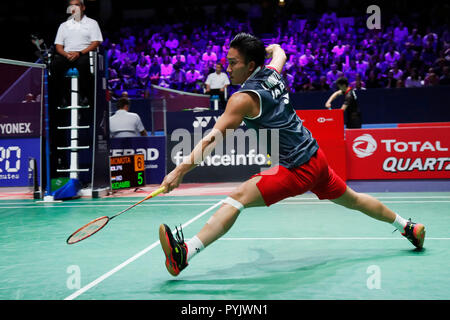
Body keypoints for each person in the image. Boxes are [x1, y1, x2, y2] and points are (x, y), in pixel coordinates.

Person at [157, 33, 426, 277]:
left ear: (250, 66)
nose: (227, 69)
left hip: (296, 168)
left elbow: (211, 139)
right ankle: (408, 227)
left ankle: (184, 254)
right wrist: (273, 47)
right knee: (353, 199)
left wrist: (179, 171)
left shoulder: (241, 99)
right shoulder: (273, 74)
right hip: (316, 158)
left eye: (233, 63)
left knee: (236, 199)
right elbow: (280, 54)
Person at [51, 0, 103, 107]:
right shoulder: (63, 25)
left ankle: (86, 96)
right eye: (71, 5)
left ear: (83, 7)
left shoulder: (92, 23)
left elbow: (96, 42)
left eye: (77, 5)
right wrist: (67, 55)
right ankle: (63, 97)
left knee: (83, 64)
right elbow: (58, 47)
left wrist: (79, 53)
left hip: (83, 53)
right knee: (55, 65)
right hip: (67, 55)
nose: (74, 7)